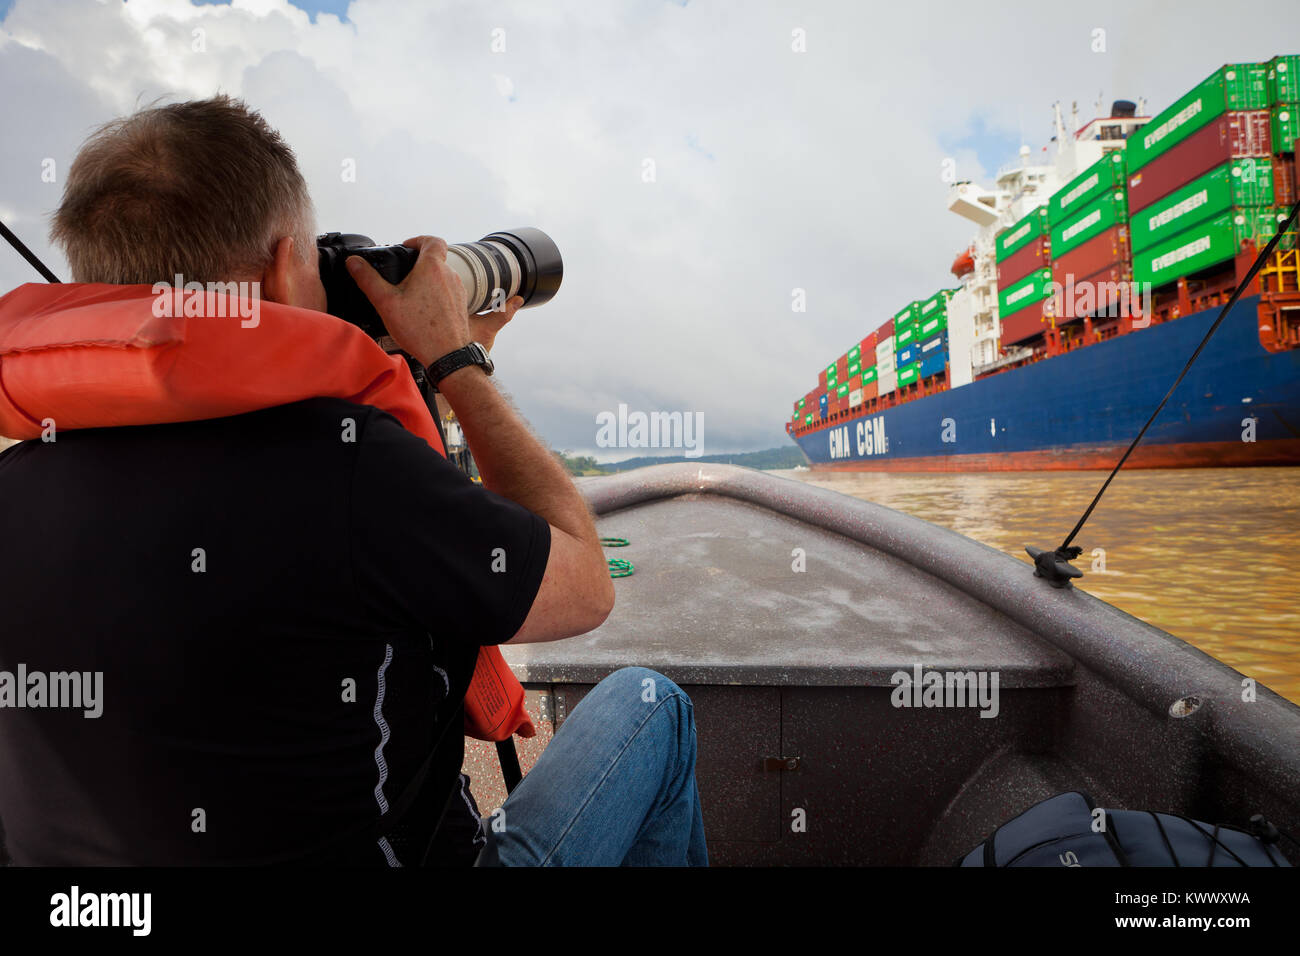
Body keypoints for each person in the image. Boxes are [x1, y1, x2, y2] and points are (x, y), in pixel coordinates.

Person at [0, 95, 707, 867]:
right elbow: (584, 586)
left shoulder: (16, 483)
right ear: (280, 267)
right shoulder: (350, 471)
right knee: (649, 705)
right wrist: (455, 360)